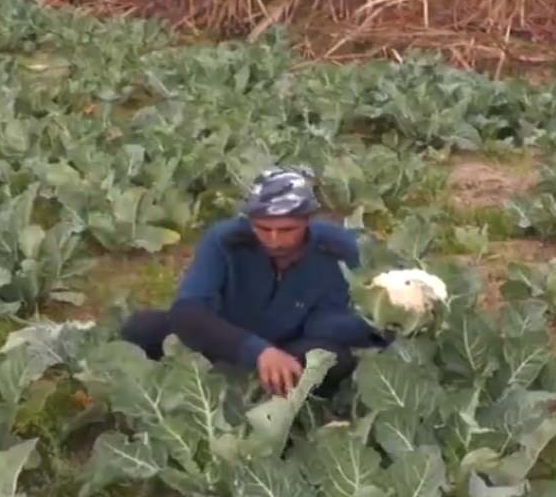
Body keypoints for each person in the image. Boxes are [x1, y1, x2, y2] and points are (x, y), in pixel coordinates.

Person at [120, 167, 391, 398]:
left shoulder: (338, 248)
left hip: (292, 349)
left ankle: (264, 400)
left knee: (331, 358)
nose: (273, 239)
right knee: (143, 328)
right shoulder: (224, 241)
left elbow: (332, 320)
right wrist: (258, 352)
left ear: (307, 220)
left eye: (286, 230)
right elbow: (188, 311)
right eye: (262, 228)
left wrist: (381, 321)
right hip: (226, 340)